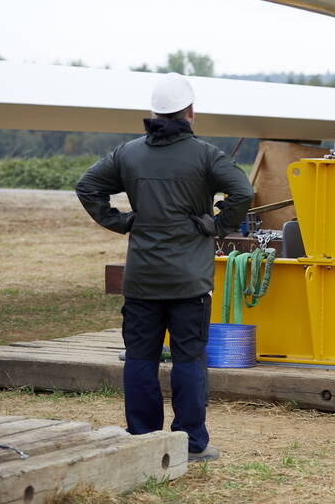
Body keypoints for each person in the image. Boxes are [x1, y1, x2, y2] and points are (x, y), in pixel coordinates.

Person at [75, 73, 254, 463]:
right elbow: (242, 192)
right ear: (190, 111)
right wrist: (217, 225)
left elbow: (87, 186)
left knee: (140, 357)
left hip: (141, 280)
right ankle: (190, 443)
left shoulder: (129, 153)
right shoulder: (207, 155)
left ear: (154, 112)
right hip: (189, 282)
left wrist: (122, 221)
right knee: (189, 359)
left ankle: (142, 437)